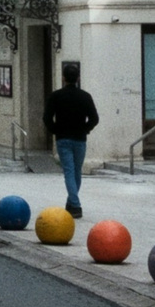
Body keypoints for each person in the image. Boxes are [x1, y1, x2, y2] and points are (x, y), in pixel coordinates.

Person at [45, 60, 100, 218]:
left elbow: (47, 118)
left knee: (69, 171)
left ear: (63, 78)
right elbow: (94, 118)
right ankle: (72, 203)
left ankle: (74, 204)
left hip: (63, 139)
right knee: (76, 172)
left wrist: (55, 130)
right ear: (78, 78)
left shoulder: (56, 96)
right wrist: (85, 129)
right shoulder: (85, 97)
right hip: (80, 139)